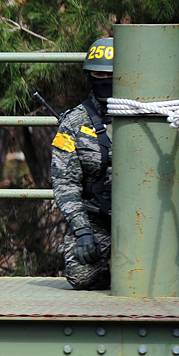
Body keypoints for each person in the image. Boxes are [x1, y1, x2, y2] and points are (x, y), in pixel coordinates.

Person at [51, 37, 115, 290]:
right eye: (97, 74)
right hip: (98, 217)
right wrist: (82, 231)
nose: (104, 80)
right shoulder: (75, 122)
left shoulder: (149, 114)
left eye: (111, 74)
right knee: (81, 275)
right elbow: (64, 182)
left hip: (144, 217)